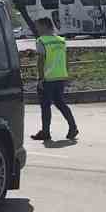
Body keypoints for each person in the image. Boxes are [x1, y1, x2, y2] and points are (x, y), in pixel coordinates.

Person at [32, 16, 79, 144]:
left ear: (45, 26)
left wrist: (40, 78)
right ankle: (73, 127)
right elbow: (65, 59)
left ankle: (45, 132)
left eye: (38, 26)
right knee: (60, 103)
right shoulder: (61, 40)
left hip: (48, 78)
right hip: (60, 77)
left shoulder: (41, 41)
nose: (37, 29)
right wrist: (66, 74)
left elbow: (40, 61)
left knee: (45, 106)